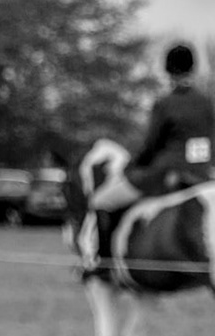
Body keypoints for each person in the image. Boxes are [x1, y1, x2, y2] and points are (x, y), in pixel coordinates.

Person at [90, 42, 215, 213]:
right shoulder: (206, 103)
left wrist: (132, 166)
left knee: (100, 201)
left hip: (165, 174)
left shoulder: (166, 104)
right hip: (202, 174)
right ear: (192, 68)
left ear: (169, 71)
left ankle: (112, 240)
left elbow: (151, 145)